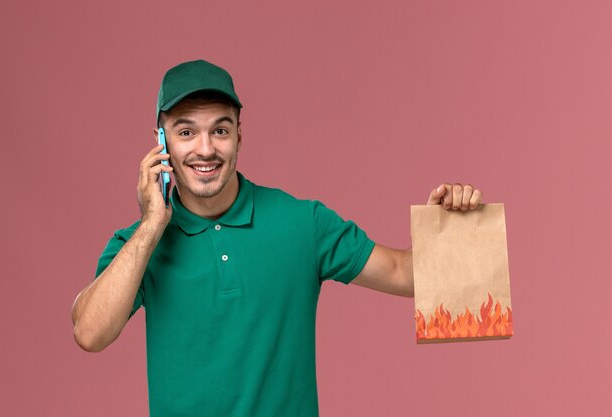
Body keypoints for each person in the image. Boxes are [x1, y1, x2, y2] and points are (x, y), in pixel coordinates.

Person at [71, 60, 483, 417]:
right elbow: (89, 333)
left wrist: (448, 227)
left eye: (220, 130)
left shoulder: (302, 223)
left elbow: (404, 272)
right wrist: (149, 228)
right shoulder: (137, 245)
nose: (205, 148)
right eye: (185, 133)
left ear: (239, 136)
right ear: (160, 143)